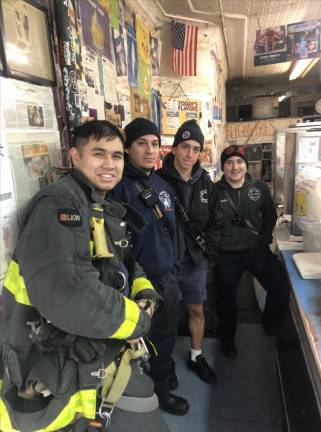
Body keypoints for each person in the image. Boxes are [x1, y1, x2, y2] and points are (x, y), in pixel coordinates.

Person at [0, 120, 170, 432]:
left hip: (91, 361)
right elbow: (71, 294)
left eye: (117, 156)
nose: (110, 164)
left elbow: (125, 263)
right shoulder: (60, 205)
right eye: (99, 154)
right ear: (75, 157)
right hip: (51, 369)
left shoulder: (97, 203)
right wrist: (139, 321)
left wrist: (146, 294)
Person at [111, 118, 189, 416]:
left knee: (166, 336)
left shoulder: (163, 185)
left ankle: (162, 382)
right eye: (141, 143)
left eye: (154, 144)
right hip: (137, 285)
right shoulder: (118, 188)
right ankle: (150, 392)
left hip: (167, 280)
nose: (148, 150)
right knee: (139, 341)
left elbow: (175, 230)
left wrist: (176, 268)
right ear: (128, 147)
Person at [213, 144, 290, 359]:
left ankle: (271, 326)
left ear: (246, 165)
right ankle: (227, 340)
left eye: (239, 162)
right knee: (226, 301)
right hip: (227, 254)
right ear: (223, 167)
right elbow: (208, 223)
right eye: (229, 162)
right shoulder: (213, 191)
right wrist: (215, 249)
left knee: (280, 287)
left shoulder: (259, 188)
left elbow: (270, 215)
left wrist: (264, 238)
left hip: (256, 250)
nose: (234, 167)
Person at [157, 120, 217, 384]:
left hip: (194, 262)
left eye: (195, 148)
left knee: (196, 310)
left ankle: (196, 356)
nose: (190, 154)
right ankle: (162, 364)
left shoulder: (206, 184)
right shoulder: (156, 181)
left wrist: (206, 250)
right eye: (185, 147)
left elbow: (215, 221)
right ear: (174, 148)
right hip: (165, 264)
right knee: (163, 318)